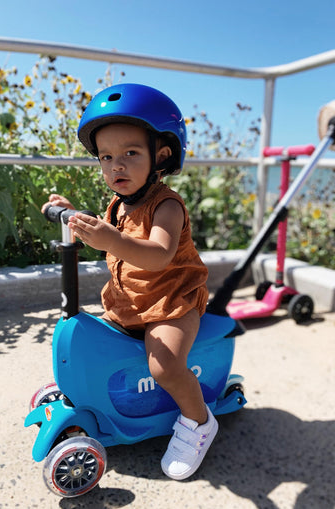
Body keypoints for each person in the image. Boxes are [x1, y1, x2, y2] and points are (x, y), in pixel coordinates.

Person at [42, 83, 218, 480]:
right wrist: (73, 215)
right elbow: (110, 233)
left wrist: (111, 238)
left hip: (174, 299)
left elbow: (158, 255)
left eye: (130, 154)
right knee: (92, 341)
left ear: (162, 154)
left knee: (165, 365)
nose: (116, 166)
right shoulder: (119, 203)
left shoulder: (167, 205)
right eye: (106, 157)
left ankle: (198, 422)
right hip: (132, 301)